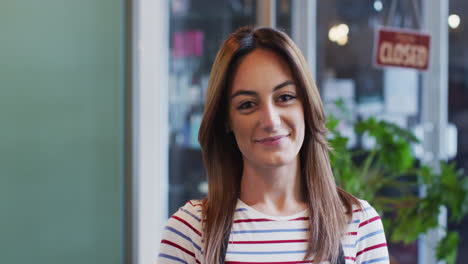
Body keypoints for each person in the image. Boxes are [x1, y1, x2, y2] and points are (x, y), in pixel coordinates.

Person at [158, 26, 389, 264]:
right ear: (226, 120)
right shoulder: (191, 230)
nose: (270, 121)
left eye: (285, 97)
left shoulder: (359, 224)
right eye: (247, 104)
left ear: (306, 106)